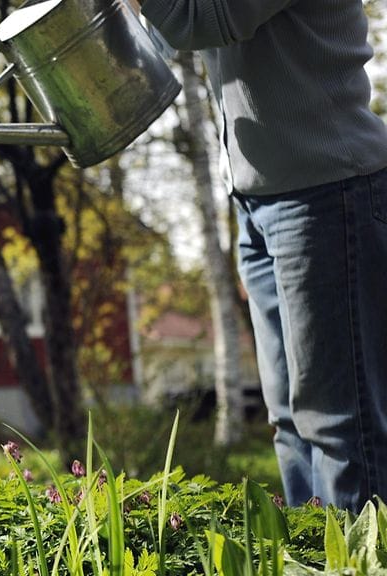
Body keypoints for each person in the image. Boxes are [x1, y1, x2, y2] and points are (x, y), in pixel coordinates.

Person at [139, 0, 387, 512]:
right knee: (291, 423)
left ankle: (361, 561)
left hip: (327, 191)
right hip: (259, 201)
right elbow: (166, 35)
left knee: (340, 422)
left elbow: (204, 19)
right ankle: (315, 554)